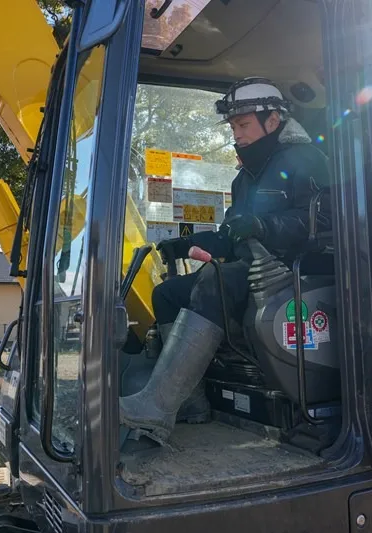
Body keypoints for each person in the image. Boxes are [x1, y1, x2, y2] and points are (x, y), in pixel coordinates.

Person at [120, 77, 331, 443]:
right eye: (233, 126)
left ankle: (156, 406)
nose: (237, 134)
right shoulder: (244, 178)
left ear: (273, 120)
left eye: (243, 124)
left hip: (290, 269)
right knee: (167, 293)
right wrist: (184, 244)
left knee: (212, 280)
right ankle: (190, 402)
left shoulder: (308, 160)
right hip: (248, 267)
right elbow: (230, 235)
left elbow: (324, 220)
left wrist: (264, 226)